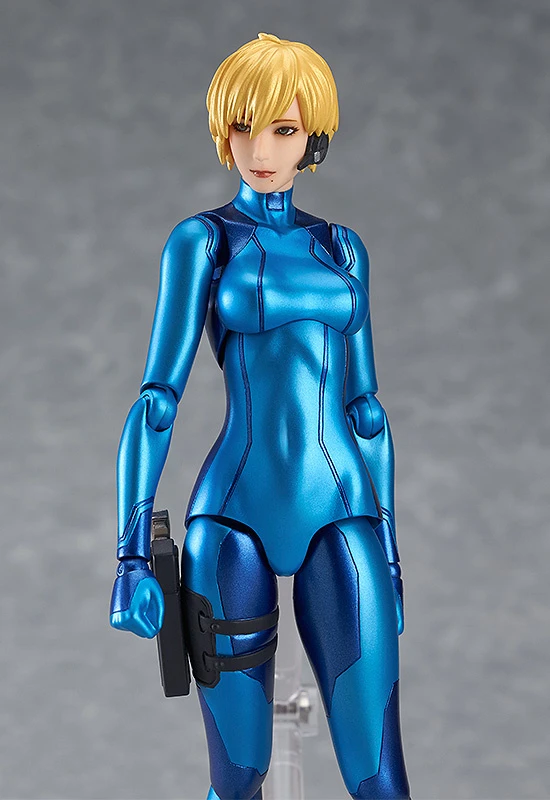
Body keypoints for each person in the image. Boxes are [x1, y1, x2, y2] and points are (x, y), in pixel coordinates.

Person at [110, 32, 410, 800]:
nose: (261, 150)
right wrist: (132, 558)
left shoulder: (341, 248)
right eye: (244, 127)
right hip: (234, 517)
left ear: (313, 136)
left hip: (345, 511)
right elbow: (156, 402)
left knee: (379, 779)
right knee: (237, 778)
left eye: (283, 128)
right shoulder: (204, 242)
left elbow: (366, 411)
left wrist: (391, 556)